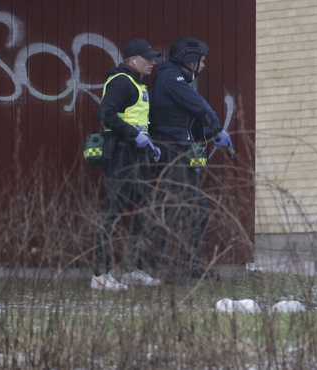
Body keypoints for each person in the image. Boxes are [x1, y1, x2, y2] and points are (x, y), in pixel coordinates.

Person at [148, 37, 233, 283]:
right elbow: (199, 106)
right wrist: (217, 127)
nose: (204, 66)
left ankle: (194, 266)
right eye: (202, 61)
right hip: (170, 153)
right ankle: (158, 267)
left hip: (182, 151)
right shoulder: (169, 77)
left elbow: (185, 124)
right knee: (172, 210)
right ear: (189, 60)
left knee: (197, 211)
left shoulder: (180, 81)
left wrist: (210, 135)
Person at [92, 39, 163, 290]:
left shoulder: (137, 83)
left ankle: (133, 269)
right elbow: (105, 114)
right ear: (133, 60)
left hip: (135, 155)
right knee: (112, 213)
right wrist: (135, 136)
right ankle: (100, 276)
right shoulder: (122, 81)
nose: (153, 62)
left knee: (145, 209)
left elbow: (136, 121)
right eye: (148, 58)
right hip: (120, 155)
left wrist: (149, 144)